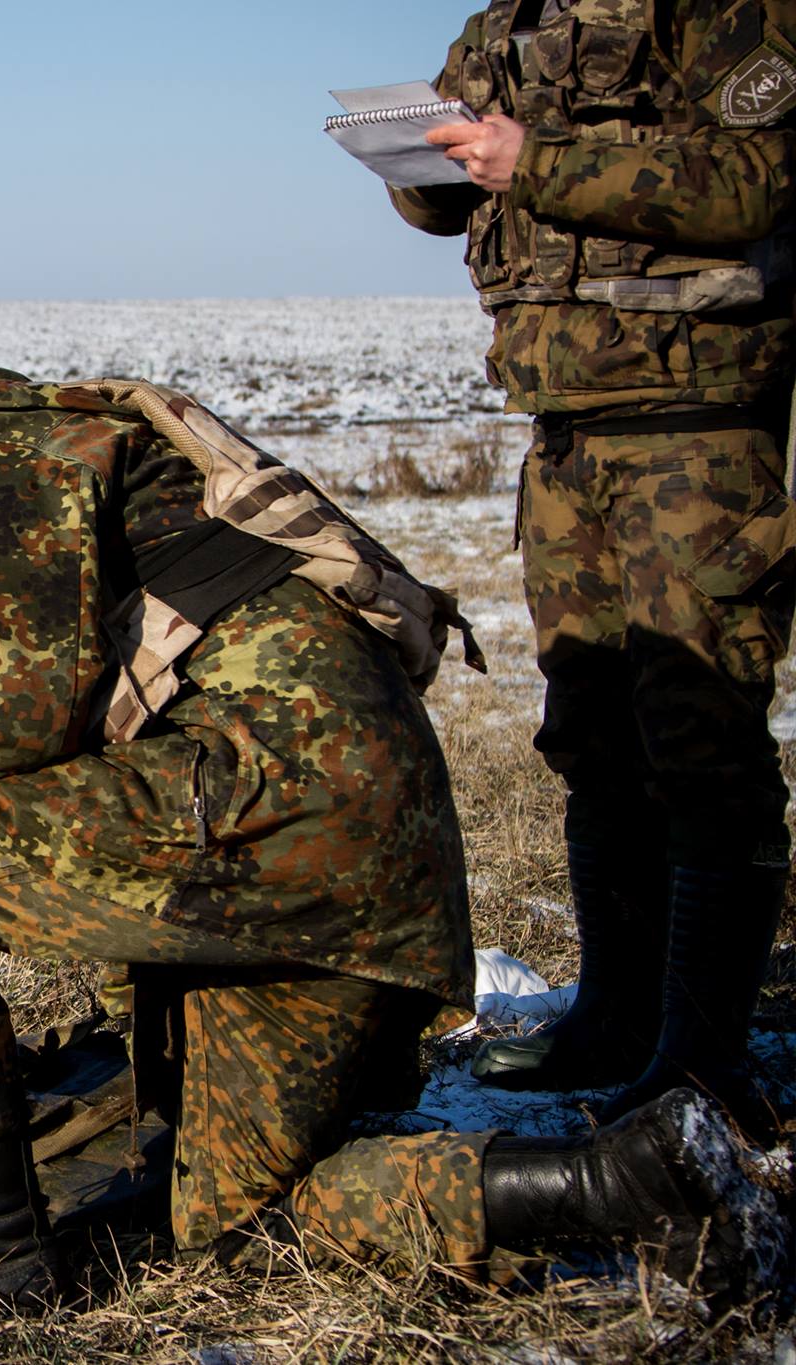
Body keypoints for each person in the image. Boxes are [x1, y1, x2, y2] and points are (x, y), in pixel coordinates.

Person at [0, 325, 775, 1314]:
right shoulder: (16, 446)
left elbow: (3, 707)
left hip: (272, 813)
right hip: (331, 852)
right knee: (235, 1222)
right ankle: (622, 1183)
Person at [389, 2, 795, 1130]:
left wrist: (537, 161)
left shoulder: (727, 14)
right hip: (560, 422)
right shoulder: (505, 23)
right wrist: (417, 165)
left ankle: (703, 1061)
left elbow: (755, 182)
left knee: (698, 730)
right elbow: (439, 196)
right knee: (591, 731)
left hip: (693, 424)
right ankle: (615, 1020)